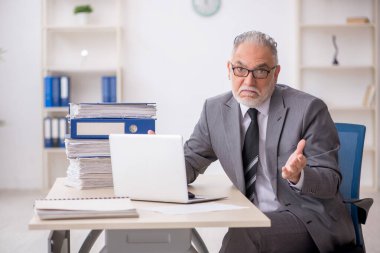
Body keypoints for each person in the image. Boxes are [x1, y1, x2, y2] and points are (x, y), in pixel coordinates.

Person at [183, 31, 356, 252]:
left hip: (306, 218)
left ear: (275, 73)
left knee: (244, 232)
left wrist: (299, 176)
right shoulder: (215, 110)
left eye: (261, 71)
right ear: (229, 69)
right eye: (240, 69)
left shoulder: (309, 110)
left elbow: (330, 181)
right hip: (252, 215)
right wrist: (158, 159)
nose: (249, 80)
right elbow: (189, 161)